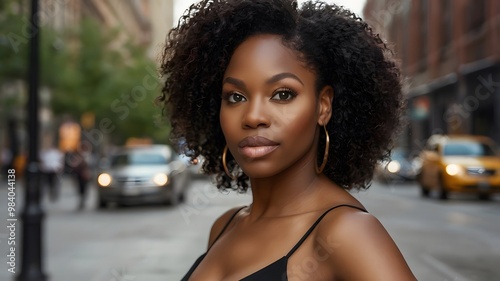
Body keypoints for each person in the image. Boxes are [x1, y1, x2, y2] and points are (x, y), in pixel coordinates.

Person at [159, 0, 416, 280]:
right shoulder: (225, 226)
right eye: (236, 97)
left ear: (323, 106)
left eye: (282, 94)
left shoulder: (346, 232)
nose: (253, 116)